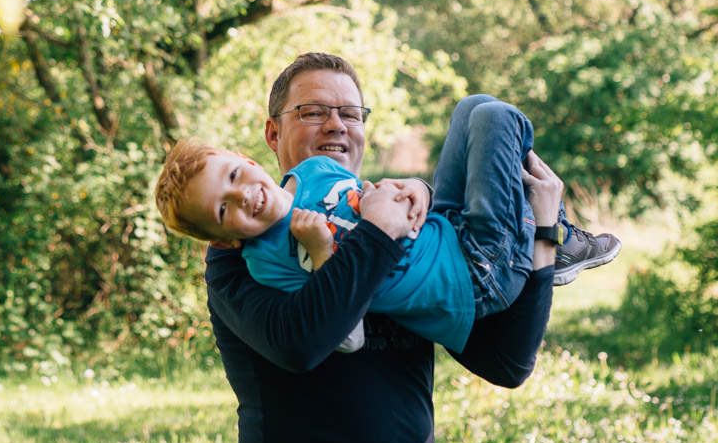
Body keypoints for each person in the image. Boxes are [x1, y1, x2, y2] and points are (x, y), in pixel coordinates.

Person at [184, 53, 598, 443]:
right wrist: (376, 233)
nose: (335, 124)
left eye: (350, 113)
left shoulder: (387, 215)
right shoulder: (241, 255)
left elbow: (505, 361)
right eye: (312, 111)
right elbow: (305, 341)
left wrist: (542, 228)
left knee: (479, 112)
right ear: (272, 131)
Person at [155, 92, 619, 354]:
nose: (243, 195)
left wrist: (412, 189)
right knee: (498, 119)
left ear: (247, 160)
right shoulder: (266, 264)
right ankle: (544, 240)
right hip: (473, 278)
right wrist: (320, 253)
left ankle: (556, 238)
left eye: (234, 176)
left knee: (476, 108)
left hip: (450, 229)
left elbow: (380, 204)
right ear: (224, 240)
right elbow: (347, 338)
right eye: (223, 210)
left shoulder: (315, 170)